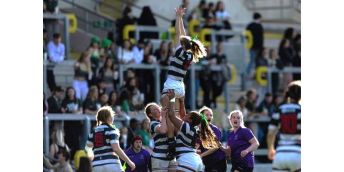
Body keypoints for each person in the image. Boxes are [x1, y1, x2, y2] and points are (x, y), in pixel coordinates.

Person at [160, 6, 207, 160]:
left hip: (172, 84)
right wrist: (180, 18)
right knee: (180, 113)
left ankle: (171, 142)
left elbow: (179, 33)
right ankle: (183, 137)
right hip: (180, 85)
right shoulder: (189, 54)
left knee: (168, 114)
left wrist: (177, 18)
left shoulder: (180, 51)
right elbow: (183, 34)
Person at [166, 90, 220, 172]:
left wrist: (172, 99)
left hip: (187, 160)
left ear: (190, 120)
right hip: (193, 160)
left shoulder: (187, 127)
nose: (185, 114)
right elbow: (182, 115)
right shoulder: (191, 129)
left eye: (188, 114)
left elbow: (171, 115)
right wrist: (182, 102)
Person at [85, 106, 136, 171]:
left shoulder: (93, 132)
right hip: (111, 163)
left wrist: (92, 161)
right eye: (112, 115)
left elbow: (88, 148)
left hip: (96, 165)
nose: (113, 117)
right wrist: (129, 162)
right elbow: (116, 148)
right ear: (108, 118)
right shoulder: (112, 130)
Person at [267, 81, 301, 172]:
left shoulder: (279, 109)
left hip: (280, 154)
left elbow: (270, 133)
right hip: (298, 153)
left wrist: (270, 148)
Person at [144, 102, 177, 171]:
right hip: (159, 158)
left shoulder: (164, 120)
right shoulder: (152, 123)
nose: (158, 109)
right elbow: (163, 130)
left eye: (157, 107)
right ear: (150, 114)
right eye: (154, 109)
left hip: (171, 156)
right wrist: (164, 116)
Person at [198, 106, 227, 172]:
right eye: (207, 115)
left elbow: (215, 147)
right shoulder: (197, 130)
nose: (209, 117)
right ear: (201, 116)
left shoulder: (215, 130)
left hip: (218, 161)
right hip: (206, 161)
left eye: (211, 115)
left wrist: (201, 155)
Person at [61, 86, 83, 158]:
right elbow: (63, 110)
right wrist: (69, 111)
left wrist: (76, 112)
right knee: (68, 141)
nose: (71, 93)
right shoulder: (65, 101)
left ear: (74, 92)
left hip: (76, 124)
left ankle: (76, 159)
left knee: (76, 142)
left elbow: (81, 111)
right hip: (68, 124)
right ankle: (68, 158)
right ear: (67, 93)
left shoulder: (78, 100)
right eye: (69, 92)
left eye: (72, 91)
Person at [246, 12, 264, 76]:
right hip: (257, 47)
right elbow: (261, 38)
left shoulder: (250, 25)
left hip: (252, 46)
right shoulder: (259, 26)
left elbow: (246, 35)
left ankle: (252, 74)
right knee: (254, 61)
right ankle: (248, 73)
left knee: (253, 61)